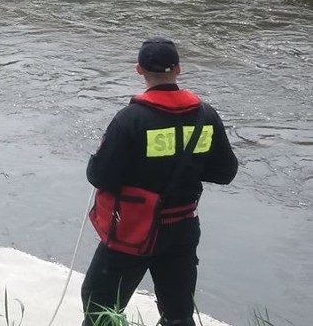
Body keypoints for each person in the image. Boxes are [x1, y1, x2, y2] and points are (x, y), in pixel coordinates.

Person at [81, 37, 238, 326]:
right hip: (183, 228)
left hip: (133, 230)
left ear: (138, 70)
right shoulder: (206, 116)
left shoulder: (130, 120)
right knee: (178, 313)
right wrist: (188, 165)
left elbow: (101, 177)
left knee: (99, 303)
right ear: (178, 68)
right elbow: (225, 172)